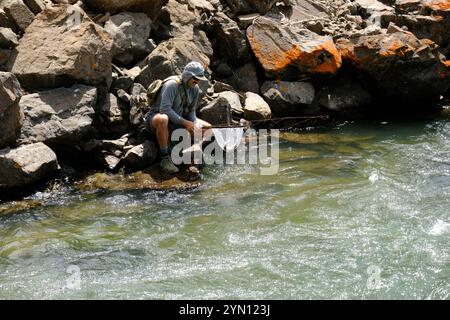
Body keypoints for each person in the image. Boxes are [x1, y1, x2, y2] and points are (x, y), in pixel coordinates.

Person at [144, 61, 208, 174]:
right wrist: (185, 123)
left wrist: (194, 122)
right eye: (195, 78)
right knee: (163, 119)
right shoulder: (172, 85)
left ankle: (192, 153)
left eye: (199, 79)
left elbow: (192, 110)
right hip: (155, 119)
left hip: (176, 122)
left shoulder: (195, 89)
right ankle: (165, 158)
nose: (197, 81)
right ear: (187, 75)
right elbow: (165, 109)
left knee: (207, 127)